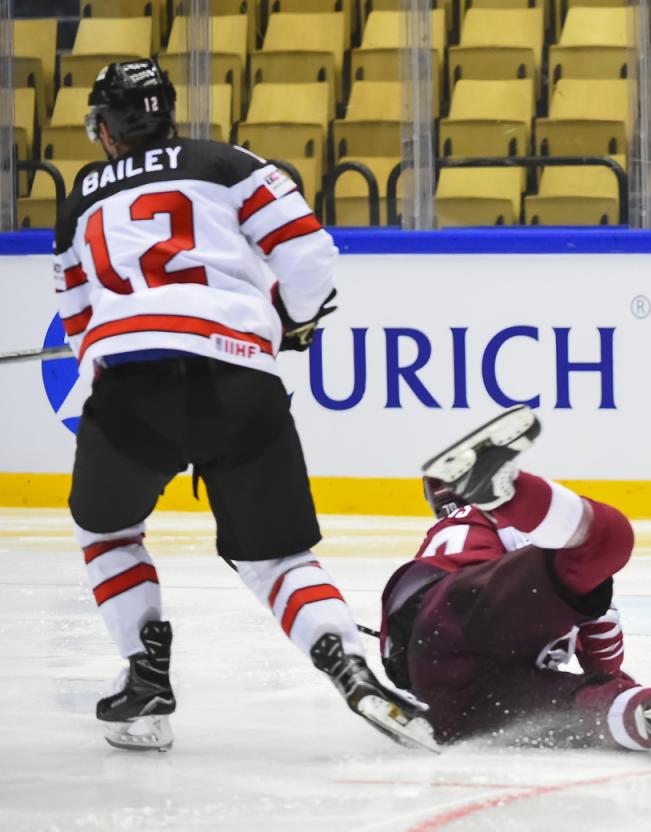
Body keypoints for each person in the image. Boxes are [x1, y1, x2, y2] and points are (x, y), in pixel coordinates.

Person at [55, 60, 434, 751]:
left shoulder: (79, 196)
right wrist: (292, 319)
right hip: (238, 379)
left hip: (131, 388)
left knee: (106, 531)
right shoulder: (226, 162)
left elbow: (79, 320)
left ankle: (145, 676)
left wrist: (115, 350)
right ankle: (348, 665)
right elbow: (311, 255)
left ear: (106, 128)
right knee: (277, 558)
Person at [379, 405, 651, 750]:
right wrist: (608, 676)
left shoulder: (444, 538)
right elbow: (599, 615)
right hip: (457, 620)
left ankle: (643, 711)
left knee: (570, 713)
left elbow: (398, 641)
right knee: (608, 542)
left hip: (443, 689)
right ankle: (510, 490)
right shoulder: (491, 520)